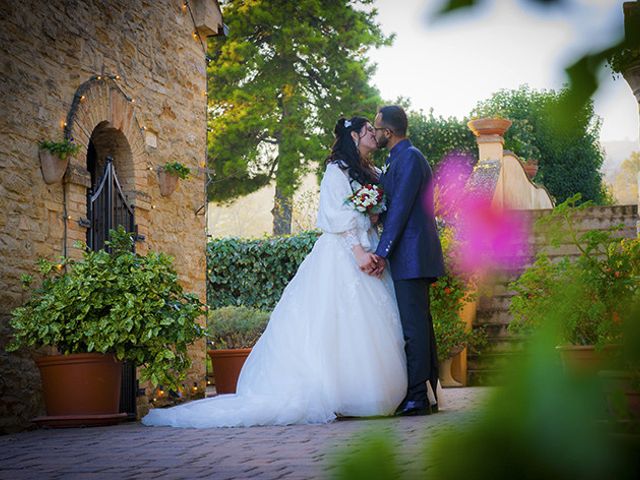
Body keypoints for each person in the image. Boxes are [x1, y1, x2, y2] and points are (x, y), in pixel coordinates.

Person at [142, 116, 407, 428]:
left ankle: (368, 391)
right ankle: (338, 393)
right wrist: (359, 251)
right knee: (333, 321)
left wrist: (375, 236)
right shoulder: (337, 170)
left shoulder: (373, 171)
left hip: (370, 247)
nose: (374, 135)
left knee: (371, 321)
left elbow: (372, 211)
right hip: (344, 253)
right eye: (368, 131)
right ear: (353, 135)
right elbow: (333, 214)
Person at [371, 105, 446, 416]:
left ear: (388, 132)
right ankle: (427, 392)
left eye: (376, 128)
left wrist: (381, 251)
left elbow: (401, 208)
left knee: (414, 328)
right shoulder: (397, 159)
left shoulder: (411, 158)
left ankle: (416, 396)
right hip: (410, 256)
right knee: (420, 327)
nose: (374, 133)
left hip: (413, 256)